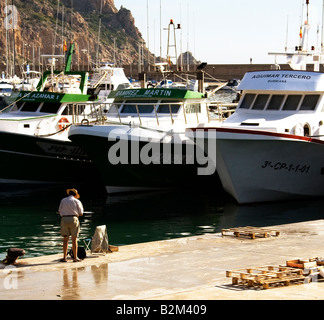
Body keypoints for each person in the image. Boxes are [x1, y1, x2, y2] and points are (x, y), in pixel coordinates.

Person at [58, 188, 84, 262]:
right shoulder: (77, 201)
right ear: (75, 195)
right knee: (74, 239)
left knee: (65, 239)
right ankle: (75, 258)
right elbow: (81, 213)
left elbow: (59, 211)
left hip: (64, 219)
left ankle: (64, 257)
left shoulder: (63, 200)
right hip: (73, 219)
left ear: (68, 194)